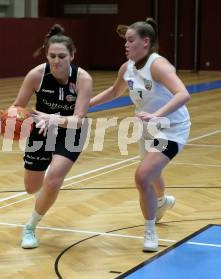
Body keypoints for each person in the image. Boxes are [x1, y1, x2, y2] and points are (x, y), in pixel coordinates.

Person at [89, 18, 191, 252]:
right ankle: (161, 202)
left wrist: (157, 114)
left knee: (142, 176)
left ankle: (150, 232)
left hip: (171, 128)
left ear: (146, 42)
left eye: (130, 40)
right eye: (125, 41)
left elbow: (183, 94)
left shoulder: (158, 65)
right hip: (148, 127)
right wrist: (86, 105)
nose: (126, 45)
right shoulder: (127, 68)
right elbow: (115, 91)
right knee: (152, 174)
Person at [11, 24, 92, 248]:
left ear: (73, 55)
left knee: (54, 178)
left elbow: (78, 120)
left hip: (71, 131)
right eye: (52, 56)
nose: (56, 61)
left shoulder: (83, 79)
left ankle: (30, 227)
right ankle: (45, 196)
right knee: (31, 187)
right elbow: (18, 106)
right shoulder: (36, 75)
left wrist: (53, 118)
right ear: (46, 55)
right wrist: (17, 117)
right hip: (41, 128)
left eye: (62, 56)